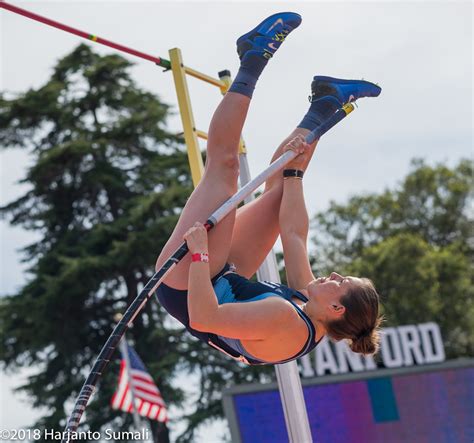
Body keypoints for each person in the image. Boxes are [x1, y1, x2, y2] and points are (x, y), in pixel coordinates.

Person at [155, 12, 383, 365]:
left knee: (225, 167)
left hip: (187, 288)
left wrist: (199, 255)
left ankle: (252, 57)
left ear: (337, 306)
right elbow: (293, 234)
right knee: (278, 195)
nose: (335, 274)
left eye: (341, 280)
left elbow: (203, 316)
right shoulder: (313, 307)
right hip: (223, 277)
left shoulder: (286, 321)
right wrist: (294, 172)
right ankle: (326, 101)